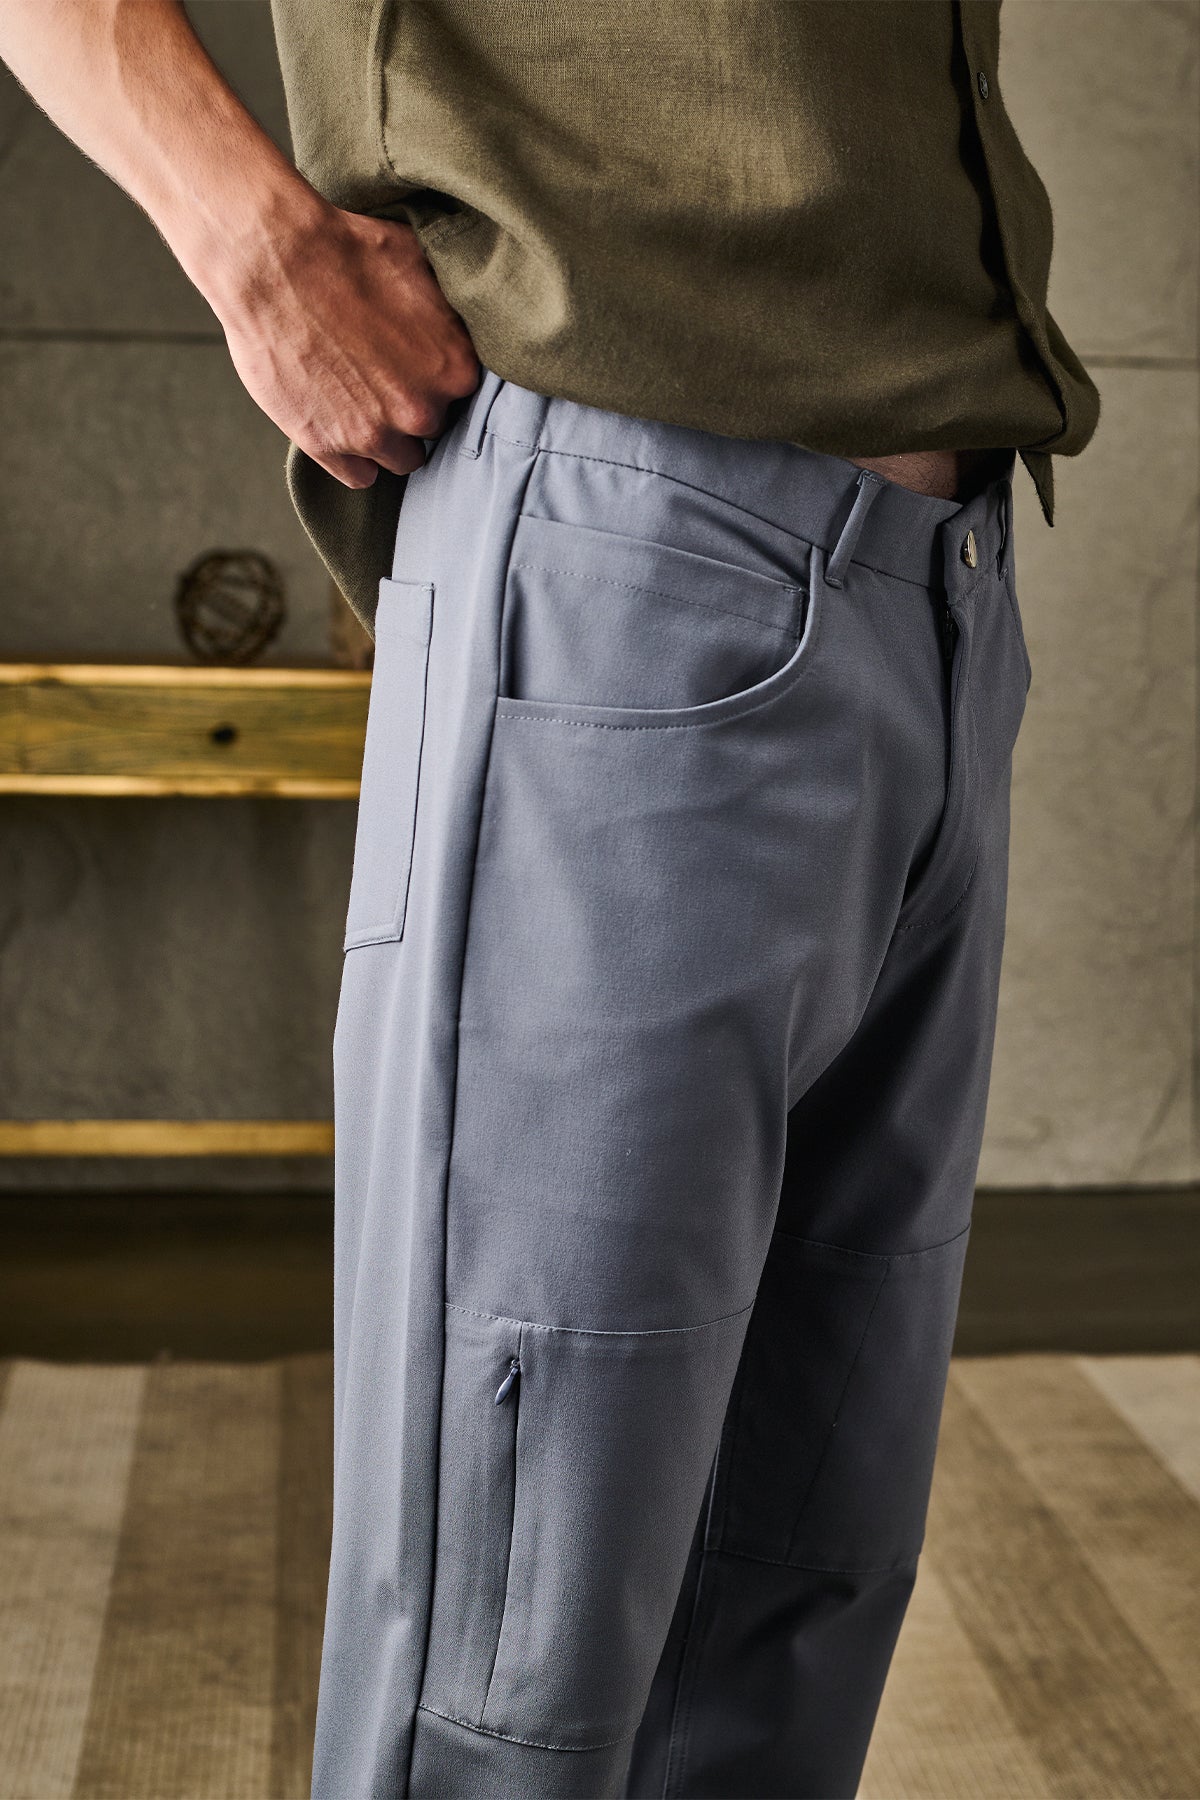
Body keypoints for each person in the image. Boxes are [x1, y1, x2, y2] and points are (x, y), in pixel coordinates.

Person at [0, 3, 1099, 1795]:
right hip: (632, 541)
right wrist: (253, 242)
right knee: (510, 1656)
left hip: (947, 587)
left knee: (798, 1584)